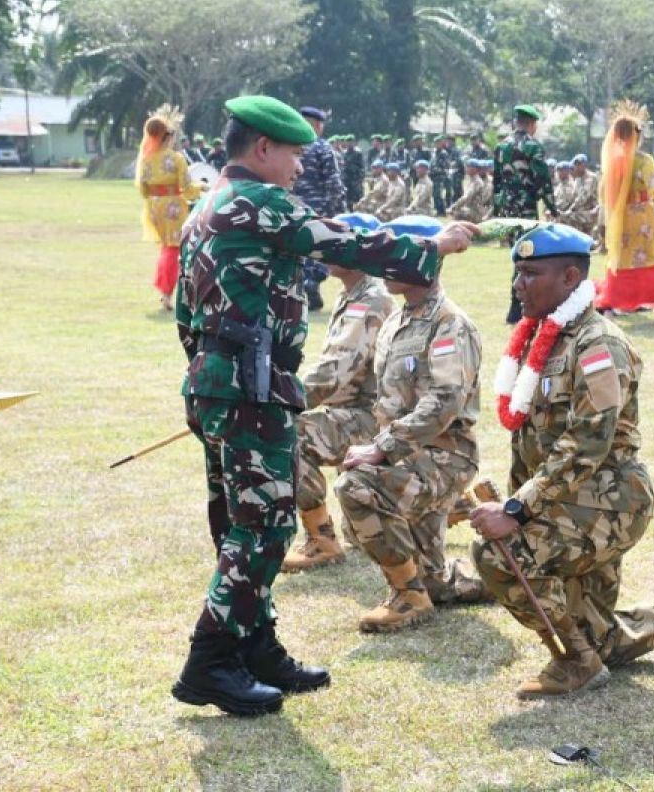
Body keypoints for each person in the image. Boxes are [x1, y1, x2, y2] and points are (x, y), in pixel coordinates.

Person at [171, 94, 476, 717]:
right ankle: (210, 662)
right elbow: (351, 243)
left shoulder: (205, 208)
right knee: (264, 526)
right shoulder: (260, 202)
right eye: (293, 154)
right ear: (262, 149)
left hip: (216, 384)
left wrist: (215, 374)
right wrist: (434, 246)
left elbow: (185, 312)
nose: (299, 168)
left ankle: (257, 648)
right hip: (252, 390)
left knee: (239, 521)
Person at [469, 223, 654, 698]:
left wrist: (516, 510)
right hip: (568, 501)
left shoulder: (598, 345)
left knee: (500, 554)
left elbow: (586, 445)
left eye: (531, 274)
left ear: (570, 277)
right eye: (518, 273)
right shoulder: (545, 337)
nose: (519, 285)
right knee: (606, 641)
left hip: (607, 504)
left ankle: (577, 662)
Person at [335, 216, 489, 631]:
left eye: (402, 253)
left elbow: (445, 401)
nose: (389, 264)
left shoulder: (449, 324)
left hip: (445, 456)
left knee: (356, 486)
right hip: (412, 455)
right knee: (434, 577)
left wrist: (382, 448)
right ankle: (441, 582)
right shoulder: (396, 320)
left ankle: (408, 596)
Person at [282, 214, 396, 573]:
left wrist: (279, 400)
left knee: (290, 433)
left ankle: (321, 540)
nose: (325, 250)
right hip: (358, 412)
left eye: (336, 243)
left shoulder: (370, 300)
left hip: (374, 419)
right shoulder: (354, 293)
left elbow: (335, 374)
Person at [594, 101, 654, 322]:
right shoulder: (643, 160)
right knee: (650, 258)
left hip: (620, 219)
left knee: (620, 260)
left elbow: (603, 191)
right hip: (642, 218)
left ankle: (609, 306)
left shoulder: (612, 161)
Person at [493, 104, 559, 324]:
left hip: (507, 208)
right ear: (532, 123)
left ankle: (517, 307)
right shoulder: (533, 147)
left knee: (517, 254)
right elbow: (542, 180)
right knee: (526, 255)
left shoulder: (502, 146)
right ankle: (517, 307)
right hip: (526, 208)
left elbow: (497, 182)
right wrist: (551, 206)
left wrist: (496, 210)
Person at [136, 105, 201, 311]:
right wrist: (202, 188)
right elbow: (188, 188)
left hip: (154, 208)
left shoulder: (146, 159)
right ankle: (166, 292)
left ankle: (163, 286)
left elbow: (144, 188)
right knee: (174, 250)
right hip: (173, 207)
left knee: (166, 248)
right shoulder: (176, 158)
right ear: (167, 136)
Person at [292, 106, 345, 311]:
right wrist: (338, 209)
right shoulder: (322, 147)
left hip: (293, 208)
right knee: (320, 247)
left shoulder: (291, 146)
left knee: (297, 247)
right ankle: (311, 283)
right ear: (317, 125)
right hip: (319, 208)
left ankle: (300, 287)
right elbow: (333, 181)